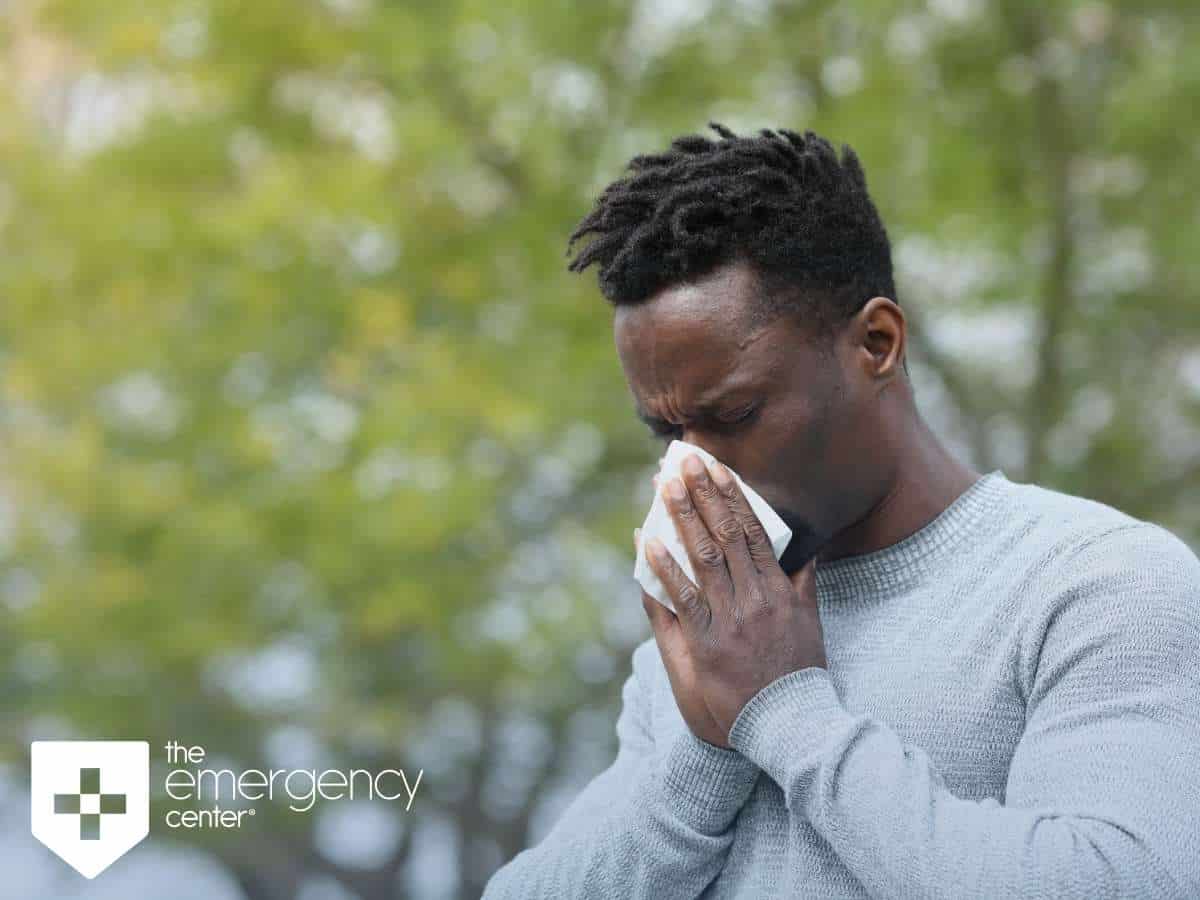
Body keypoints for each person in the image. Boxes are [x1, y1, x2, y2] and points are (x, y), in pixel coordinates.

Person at [481, 123, 1200, 899]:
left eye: (735, 414)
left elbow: (1119, 883)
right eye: (668, 431)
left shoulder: (1100, 584)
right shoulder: (713, 633)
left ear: (878, 343)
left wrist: (787, 716)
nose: (690, 473)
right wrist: (706, 752)